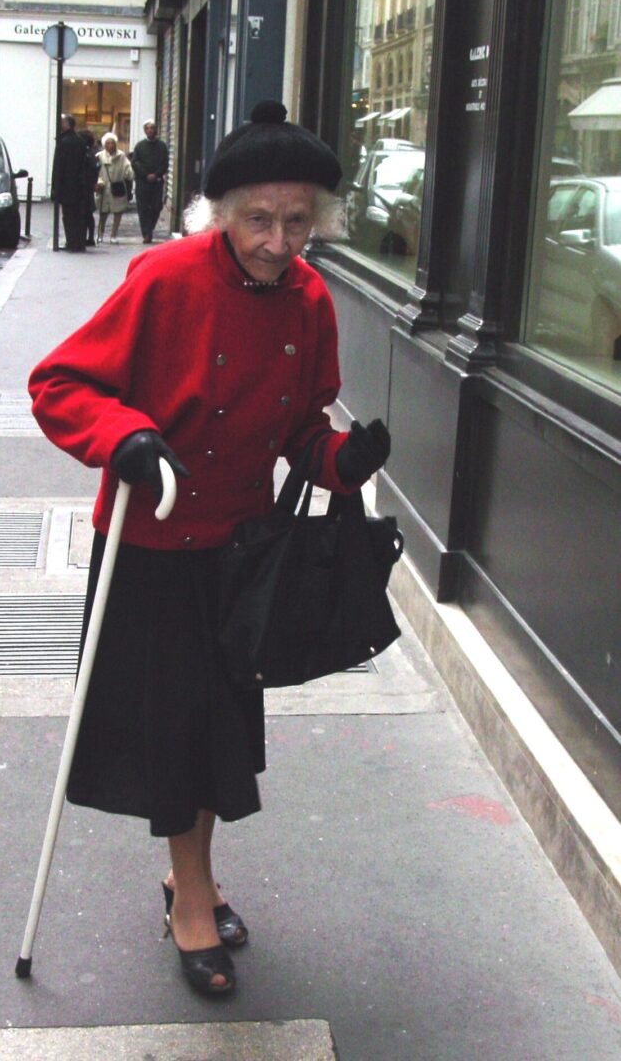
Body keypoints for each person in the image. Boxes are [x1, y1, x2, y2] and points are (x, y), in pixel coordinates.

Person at [28, 99, 390, 998]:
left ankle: (188, 876)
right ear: (222, 215)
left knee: (214, 734)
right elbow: (58, 382)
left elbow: (303, 428)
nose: (278, 241)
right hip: (151, 548)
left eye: (298, 221)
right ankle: (192, 896)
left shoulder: (311, 300)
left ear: (320, 221)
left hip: (238, 549)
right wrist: (124, 437)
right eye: (260, 220)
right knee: (176, 733)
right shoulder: (165, 279)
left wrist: (343, 459)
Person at [52, 114, 87, 252]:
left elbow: (59, 167)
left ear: (67, 124)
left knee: (68, 215)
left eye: (62, 122)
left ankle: (72, 241)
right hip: (78, 185)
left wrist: (56, 187)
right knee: (78, 215)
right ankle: (78, 241)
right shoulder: (79, 141)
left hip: (67, 185)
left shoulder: (64, 142)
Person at [131, 120, 168, 243]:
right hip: (142, 182)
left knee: (156, 206)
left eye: (152, 128)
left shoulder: (162, 146)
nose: (150, 130)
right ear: (144, 131)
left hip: (157, 182)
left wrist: (156, 174)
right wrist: (145, 174)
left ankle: (150, 228)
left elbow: (165, 163)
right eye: (147, 128)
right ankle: (146, 232)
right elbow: (135, 162)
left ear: (156, 130)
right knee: (143, 208)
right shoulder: (139, 146)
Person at [95, 132, 134, 244]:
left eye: (112, 143)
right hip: (103, 187)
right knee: (103, 212)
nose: (110, 145)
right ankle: (100, 233)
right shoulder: (99, 156)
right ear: (104, 144)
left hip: (117, 187)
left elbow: (128, 170)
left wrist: (130, 174)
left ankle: (113, 234)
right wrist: (98, 182)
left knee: (118, 212)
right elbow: (95, 172)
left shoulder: (121, 156)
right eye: (108, 143)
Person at [78, 129, 100, 247]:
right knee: (88, 214)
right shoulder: (92, 153)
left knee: (85, 213)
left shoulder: (87, 154)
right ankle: (90, 236)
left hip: (85, 187)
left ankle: (88, 237)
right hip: (89, 186)